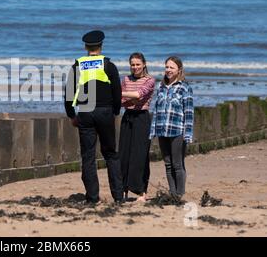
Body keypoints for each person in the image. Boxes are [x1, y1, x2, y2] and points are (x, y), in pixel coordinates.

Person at [64, 30, 124, 204]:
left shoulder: (77, 65)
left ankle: (92, 198)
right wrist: (115, 112)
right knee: (111, 154)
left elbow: (68, 93)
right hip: (105, 112)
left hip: (85, 113)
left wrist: (71, 114)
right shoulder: (108, 65)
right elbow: (117, 92)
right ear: (101, 46)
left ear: (85, 47)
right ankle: (118, 197)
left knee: (88, 156)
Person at [149, 56, 194, 199]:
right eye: (166, 67)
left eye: (171, 67)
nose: (168, 70)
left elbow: (189, 113)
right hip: (162, 131)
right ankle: (172, 193)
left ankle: (180, 194)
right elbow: (156, 110)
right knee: (168, 165)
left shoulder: (184, 88)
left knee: (177, 164)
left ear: (179, 70)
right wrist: (153, 130)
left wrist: (188, 134)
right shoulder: (161, 87)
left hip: (177, 132)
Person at [119, 52, 155, 202]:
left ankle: (142, 192)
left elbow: (139, 94)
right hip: (127, 117)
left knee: (140, 156)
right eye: (132, 64)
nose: (135, 67)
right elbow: (121, 101)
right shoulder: (126, 79)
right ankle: (123, 190)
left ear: (144, 64)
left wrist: (122, 94)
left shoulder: (150, 80)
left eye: (138, 64)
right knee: (124, 154)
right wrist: (125, 97)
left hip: (142, 118)